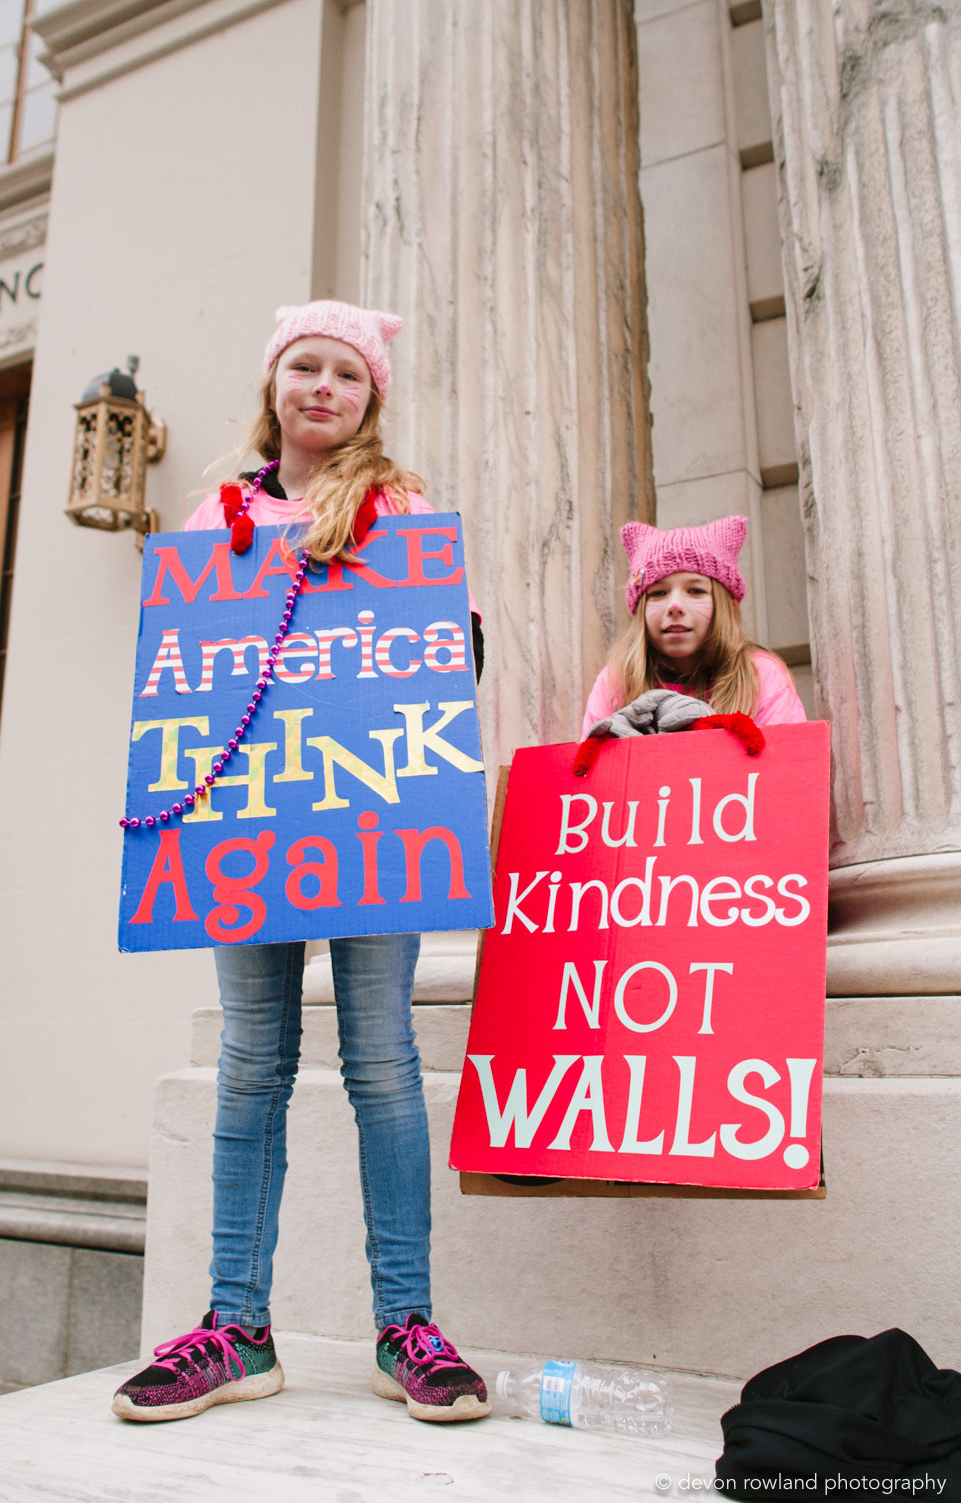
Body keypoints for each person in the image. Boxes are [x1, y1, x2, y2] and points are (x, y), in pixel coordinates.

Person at [113, 301, 490, 1426]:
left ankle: (406, 1329)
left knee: (382, 1063)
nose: (323, 387)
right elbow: (182, 660)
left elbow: (441, 641)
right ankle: (235, 1328)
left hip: (369, 815)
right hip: (246, 818)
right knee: (250, 1065)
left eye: (346, 374)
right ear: (274, 385)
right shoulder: (215, 509)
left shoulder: (398, 505)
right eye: (303, 368)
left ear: (372, 398)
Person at [582, 515, 807, 736]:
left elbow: (787, 761)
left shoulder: (758, 676)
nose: (675, 605)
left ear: (722, 605)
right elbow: (591, 766)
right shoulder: (615, 683)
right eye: (658, 593)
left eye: (696, 591)